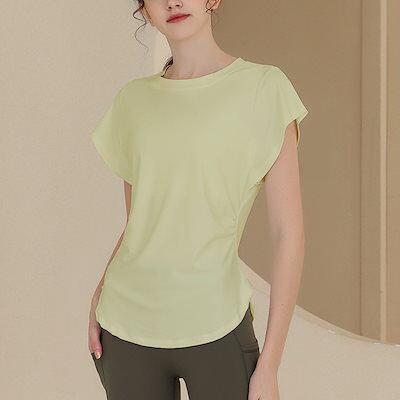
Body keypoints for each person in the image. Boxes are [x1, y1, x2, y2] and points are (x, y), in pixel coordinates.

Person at [87, 1, 308, 399]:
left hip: (216, 323)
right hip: (124, 325)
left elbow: (287, 234)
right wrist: (100, 292)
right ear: (144, 10)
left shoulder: (264, 88)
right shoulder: (133, 101)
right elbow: (141, 223)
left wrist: (271, 364)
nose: (173, 1)